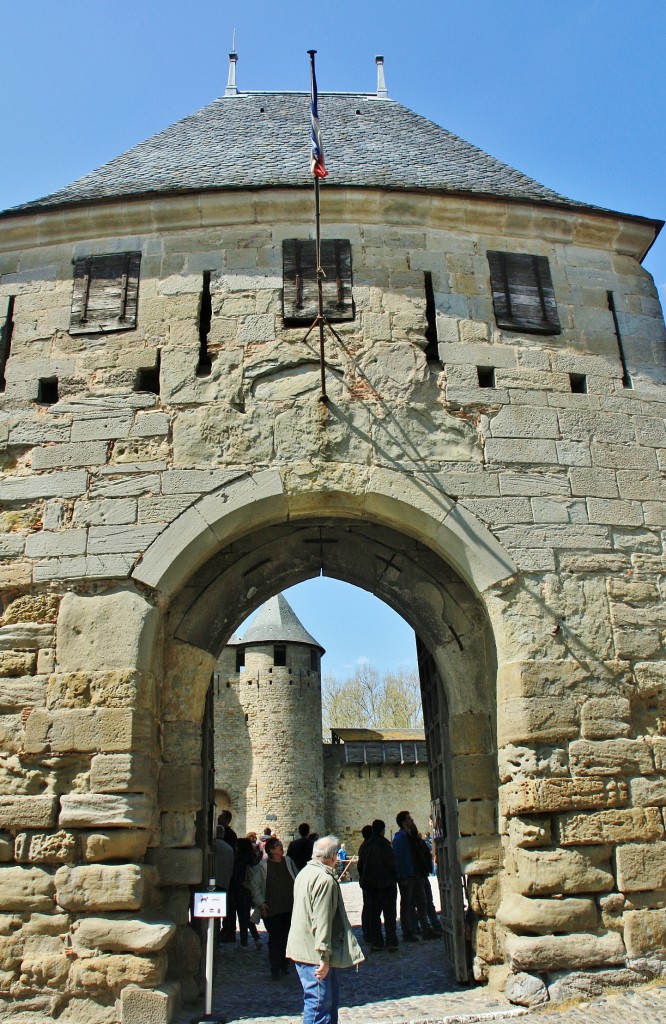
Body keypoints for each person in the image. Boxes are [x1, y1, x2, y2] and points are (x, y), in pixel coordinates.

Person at [287, 835, 364, 1024]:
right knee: (319, 1005)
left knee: (324, 1003)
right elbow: (322, 921)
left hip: (301, 948)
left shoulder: (304, 873)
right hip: (313, 953)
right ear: (334, 856)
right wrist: (324, 956)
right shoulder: (325, 880)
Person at [250, 837, 298, 980]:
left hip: (290, 907)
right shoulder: (262, 867)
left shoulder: (289, 862)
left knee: (287, 937)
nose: (281, 847)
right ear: (271, 850)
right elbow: (254, 885)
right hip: (272, 909)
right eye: (278, 846)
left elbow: (298, 877)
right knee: (276, 938)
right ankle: (275, 968)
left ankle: (284, 964)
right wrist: (260, 901)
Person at [392, 811, 436, 942]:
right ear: (404, 822)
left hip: (417, 875)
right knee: (407, 905)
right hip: (407, 876)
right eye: (410, 819)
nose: (412, 821)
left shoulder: (412, 836)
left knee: (422, 903)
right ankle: (407, 932)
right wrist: (402, 877)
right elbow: (399, 859)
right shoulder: (400, 838)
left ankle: (425, 930)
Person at [357, 819, 398, 952]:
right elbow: (392, 863)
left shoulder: (365, 846)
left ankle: (377, 942)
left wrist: (364, 882)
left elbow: (360, 866)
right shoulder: (384, 844)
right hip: (386, 885)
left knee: (374, 915)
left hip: (372, 886)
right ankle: (391, 941)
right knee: (389, 914)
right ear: (382, 830)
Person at [231, 837, 263, 949]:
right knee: (247, 916)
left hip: (240, 889)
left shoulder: (239, 859)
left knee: (242, 916)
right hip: (249, 890)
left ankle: (244, 942)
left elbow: (237, 877)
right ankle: (256, 938)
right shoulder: (252, 858)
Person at [218, 812, 239, 943]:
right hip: (226, 876)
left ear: (226, 819)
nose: (218, 818)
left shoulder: (229, 835)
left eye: (220, 817)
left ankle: (228, 930)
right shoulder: (230, 836)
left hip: (225, 877)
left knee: (228, 905)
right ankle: (227, 930)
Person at [213, 823, 234, 946]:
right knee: (219, 912)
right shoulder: (229, 848)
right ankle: (217, 938)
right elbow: (231, 867)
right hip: (224, 883)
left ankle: (212, 938)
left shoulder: (212, 846)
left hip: (211, 882)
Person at [357, 824, 373, 943]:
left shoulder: (363, 847)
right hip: (370, 883)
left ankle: (367, 932)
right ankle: (369, 932)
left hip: (366, 882)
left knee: (368, 907)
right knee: (370, 908)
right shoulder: (368, 847)